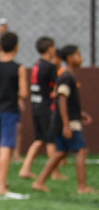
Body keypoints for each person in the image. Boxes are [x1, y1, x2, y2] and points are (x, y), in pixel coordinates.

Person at [32, 44, 92, 194]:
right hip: (68, 122)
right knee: (81, 150)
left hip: (65, 120)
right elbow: (62, 99)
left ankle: (39, 182)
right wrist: (66, 125)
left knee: (61, 151)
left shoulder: (67, 76)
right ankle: (82, 186)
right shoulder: (66, 77)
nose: (81, 58)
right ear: (71, 59)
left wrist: (80, 113)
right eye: (78, 54)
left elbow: (67, 101)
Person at [18, 37, 62, 180]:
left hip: (36, 106)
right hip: (46, 107)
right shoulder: (50, 66)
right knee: (50, 140)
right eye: (54, 47)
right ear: (50, 48)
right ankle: (54, 173)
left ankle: (25, 169)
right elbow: (56, 87)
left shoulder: (37, 64)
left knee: (40, 140)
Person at [0, 32, 29, 198]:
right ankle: (0, 185)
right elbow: (24, 92)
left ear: (0, 48)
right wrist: (18, 97)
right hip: (9, 111)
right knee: (6, 146)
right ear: (16, 47)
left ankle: (0, 180)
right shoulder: (18, 68)